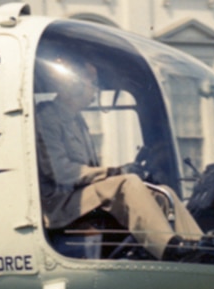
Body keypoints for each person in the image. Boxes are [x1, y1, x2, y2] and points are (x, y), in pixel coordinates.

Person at [35, 53, 202, 259]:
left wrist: (122, 170)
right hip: (60, 205)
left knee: (161, 192)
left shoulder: (77, 121)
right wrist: (115, 172)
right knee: (127, 183)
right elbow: (61, 171)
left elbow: (89, 171)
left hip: (79, 197)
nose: (95, 90)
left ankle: (199, 245)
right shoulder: (46, 117)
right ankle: (169, 249)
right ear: (73, 84)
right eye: (92, 83)